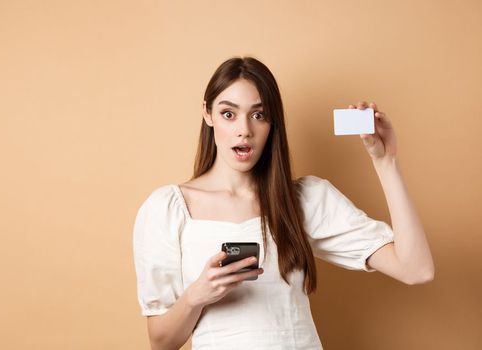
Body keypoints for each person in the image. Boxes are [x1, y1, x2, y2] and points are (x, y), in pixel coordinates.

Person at [132, 56, 435, 350]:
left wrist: (386, 161)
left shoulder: (302, 200)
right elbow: (161, 342)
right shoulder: (168, 209)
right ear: (207, 113)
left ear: (272, 123)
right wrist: (197, 295)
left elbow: (416, 269)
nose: (244, 130)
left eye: (258, 115)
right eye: (229, 114)